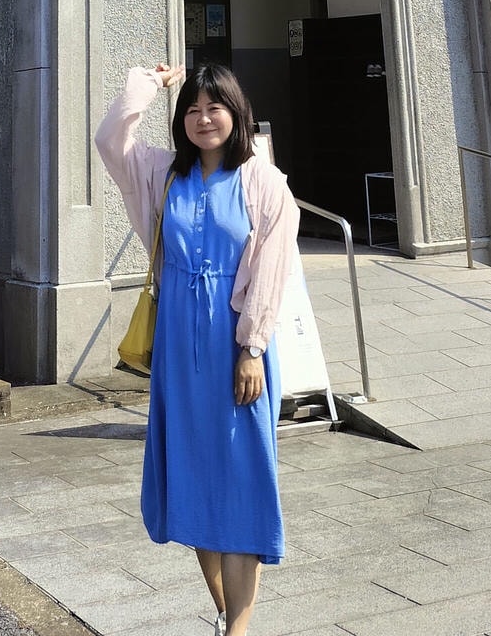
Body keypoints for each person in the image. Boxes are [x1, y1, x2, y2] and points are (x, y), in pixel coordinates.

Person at [96, 61, 299, 636]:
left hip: (237, 348)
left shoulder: (264, 180)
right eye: (192, 108)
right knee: (192, 476)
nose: (204, 119)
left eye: (215, 107)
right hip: (178, 350)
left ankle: (239, 628)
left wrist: (253, 348)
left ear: (237, 114)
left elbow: (272, 270)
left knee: (241, 476)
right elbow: (110, 139)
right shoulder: (163, 173)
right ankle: (222, 610)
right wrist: (146, 83)